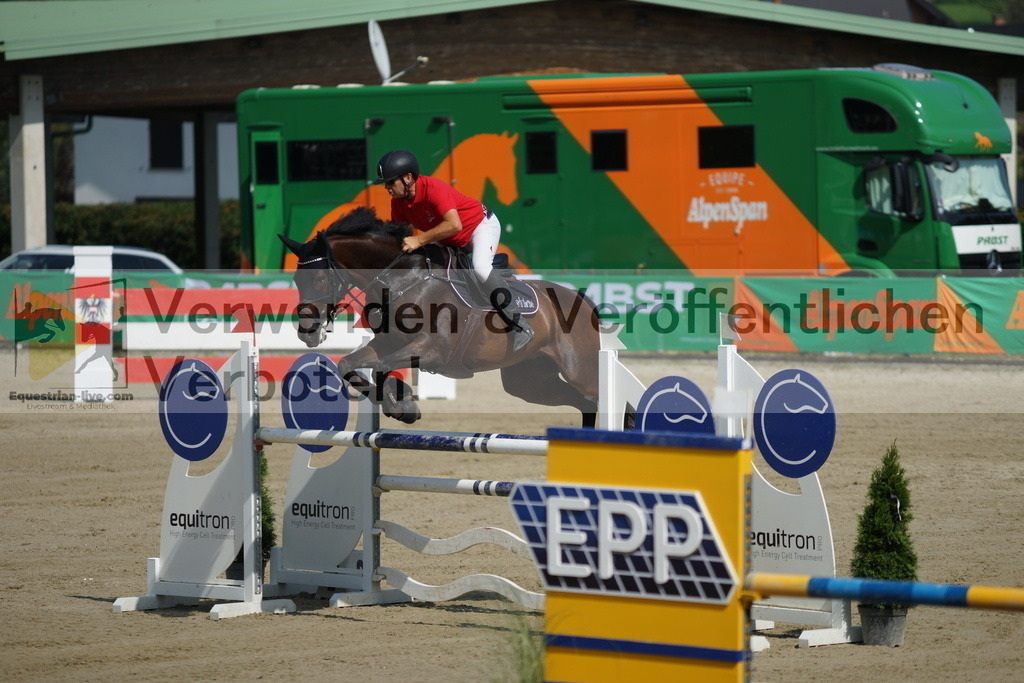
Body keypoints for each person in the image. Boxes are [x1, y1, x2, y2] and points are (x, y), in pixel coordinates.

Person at [375, 150, 534, 352]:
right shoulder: (398, 203)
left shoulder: (433, 188)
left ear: (408, 178)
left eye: (390, 182)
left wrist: (419, 239)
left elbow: (454, 225)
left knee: (480, 268)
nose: (387, 188)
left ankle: (519, 324)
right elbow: (401, 236)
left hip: (478, 226)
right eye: (385, 184)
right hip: (446, 237)